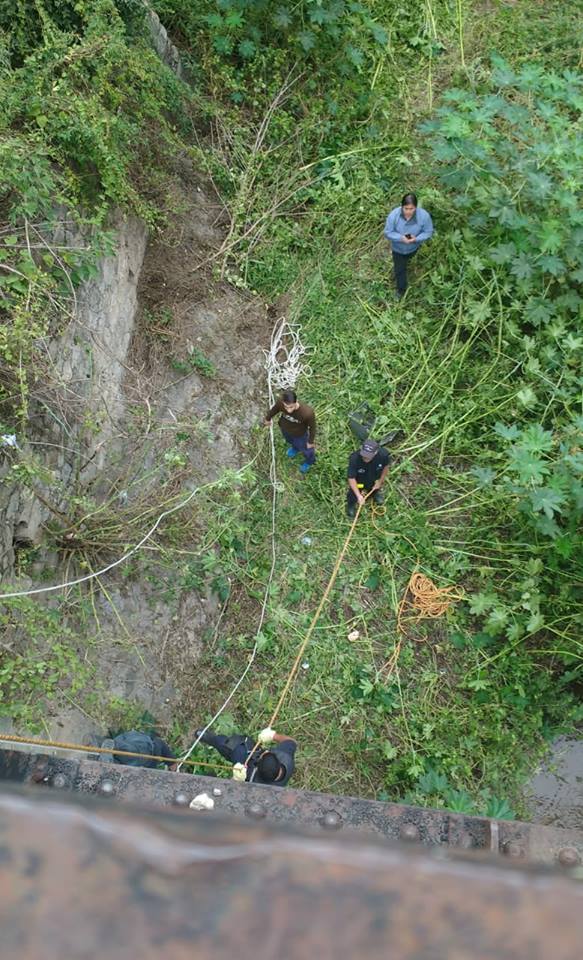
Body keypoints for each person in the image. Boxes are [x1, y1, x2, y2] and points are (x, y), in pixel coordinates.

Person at [196, 728, 297, 786]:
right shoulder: (285, 759)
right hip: (252, 756)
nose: (266, 751)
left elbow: (232, 793)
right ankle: (213, 739)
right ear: (278, 763)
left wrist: (236, 780)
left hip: (245, 773)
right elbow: (291, 742)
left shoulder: (258, 786)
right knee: (237, 744)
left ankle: (206, 782)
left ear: (258, 766)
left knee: (237, 752)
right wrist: (273, 735)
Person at [384, 193, 434, 299]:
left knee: (408, 259)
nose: (408, 212)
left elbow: (428, 232)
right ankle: (401, 290)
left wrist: (417, 238)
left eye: (411, 209)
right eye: (406, 208)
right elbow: (388, 232)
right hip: (398, 249)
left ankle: (408, 262)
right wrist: (401, 238)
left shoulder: (424, 216)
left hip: (414, 247)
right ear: (402, 206)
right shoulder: (394, 215)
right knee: (400, 269)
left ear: (416, 207)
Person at [264, 390, 316, 474]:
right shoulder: (280, 403)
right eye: (286, 407)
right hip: (285, 429)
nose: (288, 410)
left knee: (307, 449)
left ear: (296, 401)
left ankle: (309, 461)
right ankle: (295, 448)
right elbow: (274, 410)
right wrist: (268, 418)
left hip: (300, 434)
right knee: (290, 441)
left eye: (291, 407)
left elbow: (313, 428)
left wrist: (310, 441)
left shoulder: (307, 413)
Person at [346, 438, 391, 518]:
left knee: (374, 487)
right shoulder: (354, 458)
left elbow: (386, 467)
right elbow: (351, 478)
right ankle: (351, 506)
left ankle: (374, 494)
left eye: (368, 456)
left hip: (373, 479)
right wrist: (358, 495)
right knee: (353, 494)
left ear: (376, 452)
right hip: (359, 482)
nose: (365, 458)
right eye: (364, 455)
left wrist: (380, 482)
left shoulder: (383, 455)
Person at [107, 730, 177, 770]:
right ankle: (114, 749)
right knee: (133, 753)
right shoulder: (156, 747)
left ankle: (112, 755)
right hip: (145, 749)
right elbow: (173, 764)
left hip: (132, 740)